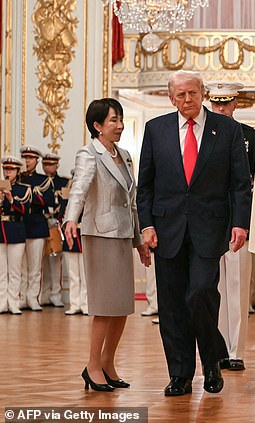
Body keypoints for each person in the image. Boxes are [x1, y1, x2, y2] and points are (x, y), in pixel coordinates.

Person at [137, 71, 252, 396]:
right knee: (172, 306)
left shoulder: (227, 129)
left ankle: (212, 361)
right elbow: (144, 185)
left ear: (202, 94)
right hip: (165, 230)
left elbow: (240, 184)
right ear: (171, 98)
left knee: (200, 293)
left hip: (209, 228)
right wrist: (146, 225)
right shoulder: (155, 129)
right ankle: (181, 375)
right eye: (180, 95)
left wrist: (240, 222)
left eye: (192, 93)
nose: (187, 100)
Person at [63, 98, 151, 391]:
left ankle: (108, 362)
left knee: (122, 306)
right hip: (99, 235)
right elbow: (79, 189)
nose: (120, 125)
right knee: (104, 306)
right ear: (97, 126)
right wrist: (70, 219)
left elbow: (133, 203)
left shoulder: (125, 155)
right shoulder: (89, 154)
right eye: (113, 120)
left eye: (121, 119)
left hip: (123, 236)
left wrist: (139, 241)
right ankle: (92, 365)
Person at [208, 81, 255, 370]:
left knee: (236, 288)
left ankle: (234, 350)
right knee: (210, 289)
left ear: (235, 104)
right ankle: (215, 348)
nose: (220, 109)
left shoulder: (249, 136)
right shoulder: (201, 134)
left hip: (238, 220)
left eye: (225, 103)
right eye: (216, 104)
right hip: (209, 221)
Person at [18, 146, 55, 310]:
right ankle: (21, 297)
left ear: (36, 161)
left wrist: (31, 197)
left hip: (37, 225)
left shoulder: (43, 180)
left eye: (30, 158)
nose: (27, 161)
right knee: (21, 266)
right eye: (25, 158)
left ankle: (33, 297)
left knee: (34, 266)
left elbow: (49, 201)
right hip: (20, 225)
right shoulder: (17, 179)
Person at [0, 157, 31, 315]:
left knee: (15, 270)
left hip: (16, 231)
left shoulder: (23, 189)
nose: (7, 173)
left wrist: (11, 199)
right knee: (1, 271)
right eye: (5, 169)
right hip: (1, 232)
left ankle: (13, 302)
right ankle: (2, 302)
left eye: (11, 170)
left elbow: (26, 210)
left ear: (18, 171)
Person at [40, 153, 69, 308]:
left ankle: (56, 293)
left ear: (57, 165)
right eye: (45, 164)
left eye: (51, 164)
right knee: (42, 261)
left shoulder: (63, 182)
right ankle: (44, 293)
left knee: (56, 259)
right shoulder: (39, 181)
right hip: (41, 223)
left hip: (56, 224)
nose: (47, 167)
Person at [58, 170, 88, 316]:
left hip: (85, 236)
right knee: (73, 273)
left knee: (85, 273)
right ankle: (74, 303)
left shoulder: (91, 195)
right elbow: (61, 215)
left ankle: (86, 303)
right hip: (71, 235)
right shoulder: (68, 196)